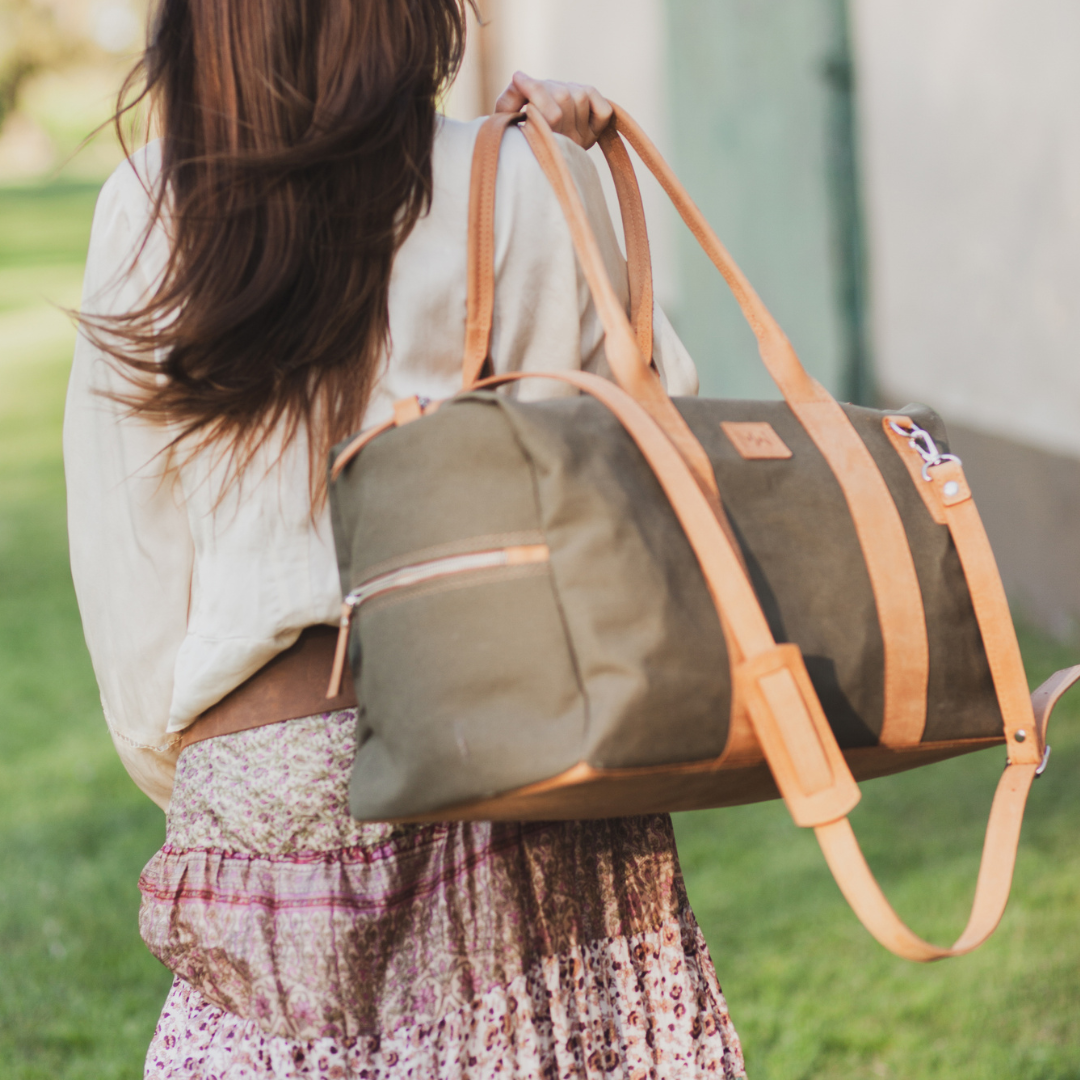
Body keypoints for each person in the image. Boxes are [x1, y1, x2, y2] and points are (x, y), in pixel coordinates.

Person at [64, 2, 747, 1077]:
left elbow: (130, 578)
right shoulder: (522, 177)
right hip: (522, 733)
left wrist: (227, 778)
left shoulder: (152, 208)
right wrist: (570, 170)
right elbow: (650, 441)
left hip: (273, 751)